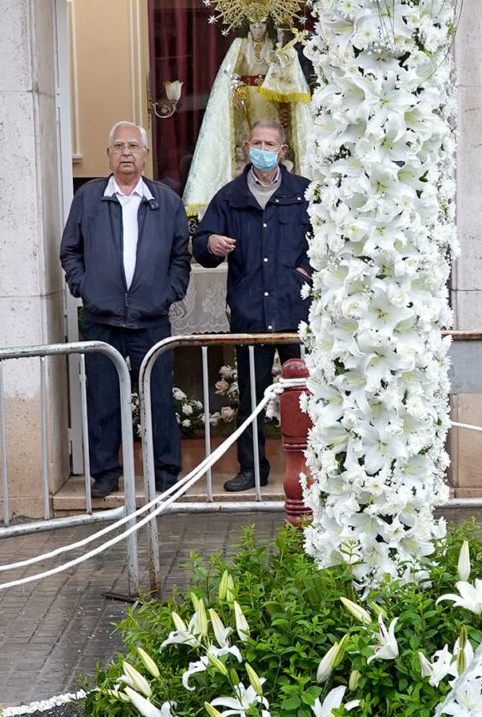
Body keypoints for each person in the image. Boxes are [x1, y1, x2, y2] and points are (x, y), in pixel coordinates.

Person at [59, 121, 190, 502]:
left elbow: (180, 256)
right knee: (103, 400)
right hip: (103, 318)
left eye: (134, 146)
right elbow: (70, 251)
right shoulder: (88, 198)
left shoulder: (166, 201)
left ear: (146, 154)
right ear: (108, 155)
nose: (127, 153)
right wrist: (86, 288)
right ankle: (105, 473)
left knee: (159, 398)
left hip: (151, 319)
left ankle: (165, 471)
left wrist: (168, 293)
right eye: (119, 146)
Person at [193, 120, 312, 493]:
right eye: (256, 143)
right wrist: (210, 243)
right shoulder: (229, 196)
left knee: (307, 394)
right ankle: (252, 469)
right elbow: (201, 245)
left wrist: (305, 273)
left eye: (269, 144)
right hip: (250, 313)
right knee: (251, 396)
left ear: (283, 151)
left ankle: (314, 467)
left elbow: (329, 240)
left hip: (295, 313)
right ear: (247, 148)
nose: (262, 149)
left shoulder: (304, 193)